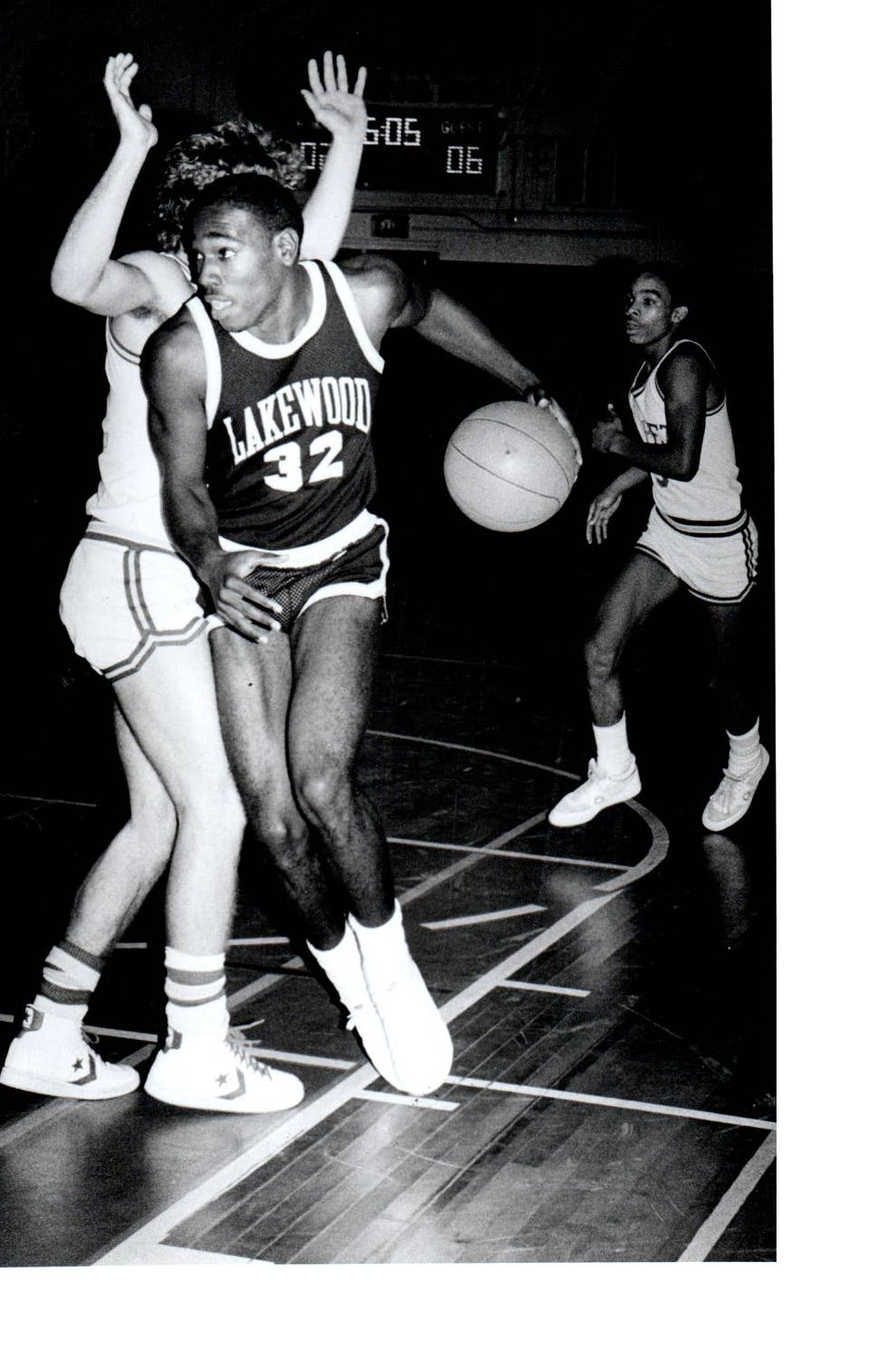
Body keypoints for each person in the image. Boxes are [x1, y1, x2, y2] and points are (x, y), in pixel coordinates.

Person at [143, 173, 579, 1096]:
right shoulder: (183, 352)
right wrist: (208, 564)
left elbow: (431, 308)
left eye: (221, 250)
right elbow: (182, 488)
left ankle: (393, 969)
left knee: (318, 775)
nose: (201, 269)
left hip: (342, 559)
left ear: (285, 248)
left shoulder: (366, 295)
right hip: (246, 573)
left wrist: (525, 382)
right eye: (194, 252)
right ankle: (349, 981)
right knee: (270, 815)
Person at [0, 52, 369, 1114]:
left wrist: (346, 144)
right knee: (217, 804)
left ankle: (52, 1028)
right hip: (139, 570)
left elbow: (317, 252)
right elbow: (72, 281)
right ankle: (196, 1044)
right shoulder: (165, 282)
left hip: (133, 578)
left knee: (158, 817)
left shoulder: (241, 282)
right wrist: (124, 147)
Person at [547, 264, 769, 832]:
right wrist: (616, 487)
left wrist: (615, 444)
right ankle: (616, 770)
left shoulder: (686, 365)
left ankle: (747, 761)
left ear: (676, 316)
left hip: (719, 543)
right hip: (669, 534)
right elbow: (659, 454)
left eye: (649, 302)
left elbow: (683, 461)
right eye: (630, 300)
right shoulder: (646, 372)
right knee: (600, 648)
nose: (633, 310)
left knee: (724, 680)